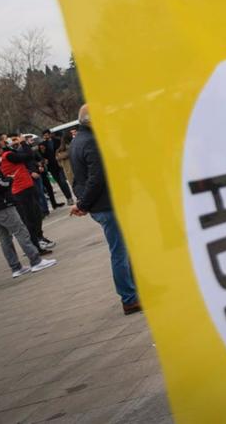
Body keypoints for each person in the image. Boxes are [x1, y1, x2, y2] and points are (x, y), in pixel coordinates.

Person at [69, 105, 141, 315]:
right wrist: (83, 204)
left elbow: (77, 178)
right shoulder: (91, 141)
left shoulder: (78, 142)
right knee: (119, 251)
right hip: (106, 204)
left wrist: (83, 202)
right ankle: (129, 298)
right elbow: (96, 178)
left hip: (100, 205)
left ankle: (135, 291)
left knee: (124, 249)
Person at [0, 144, 57, 278]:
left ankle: (16, 267)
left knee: (5, 238)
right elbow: (0, 184)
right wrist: (10, 179)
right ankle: (36, 261)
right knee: (21, 231)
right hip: (0, 206)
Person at [0, 137, 55, 253]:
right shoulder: (8, 155)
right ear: (2, 143)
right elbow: (28, 155)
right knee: (30, 220)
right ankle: (35, 247)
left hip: (26, 187)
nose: (11, 141)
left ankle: (38, 240)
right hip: (20, 191)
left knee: (37, 215)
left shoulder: (11, 153)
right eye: (8, 139)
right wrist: (23, 143)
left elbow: (28, 157)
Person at [41, 129, 72, 206]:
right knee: (60, 183)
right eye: (44, 135)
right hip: (52, 167)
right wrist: (43, 153)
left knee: (63, 182)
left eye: (47, 134)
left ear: (50, 134)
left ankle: (70, 198)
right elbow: (42, 156)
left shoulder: (58, 141)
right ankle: (68, 197)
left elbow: (64, 149)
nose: (46, 136)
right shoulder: (42, 144)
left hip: (60, 164)